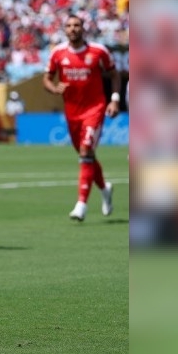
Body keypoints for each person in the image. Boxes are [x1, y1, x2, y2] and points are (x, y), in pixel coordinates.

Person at [43, 13, 120, 221]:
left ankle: (81, 204)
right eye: (69, 25)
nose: (73, 29)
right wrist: (54, 88)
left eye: (77, 25)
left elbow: (114, 74)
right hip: (72, 112)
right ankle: (105, 189)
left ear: (83, 28)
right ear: (65, 29)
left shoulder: (98, 51)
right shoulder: (58, 53)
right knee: (87, 155)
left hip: (95, 108)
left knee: (86, 151)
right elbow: (47, 78)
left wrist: (114, 100)